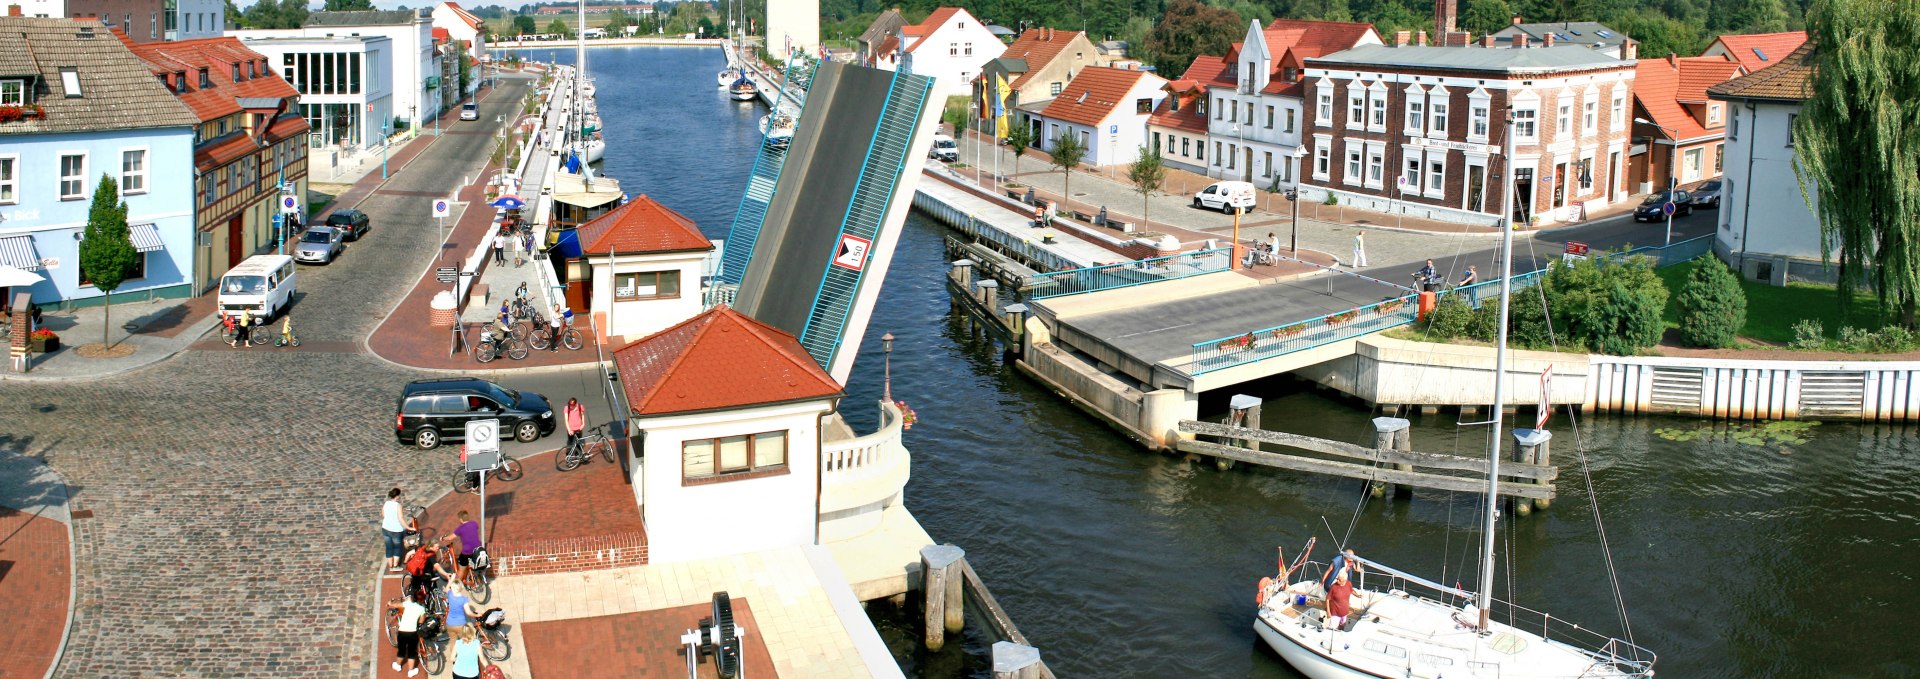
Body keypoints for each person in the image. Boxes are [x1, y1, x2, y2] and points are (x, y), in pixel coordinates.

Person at [391, 592, 428, 677]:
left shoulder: (408, 603)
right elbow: (421, 621)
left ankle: (397, 665)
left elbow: (397, 605)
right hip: (412, 633)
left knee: (402, 650)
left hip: (402, 631)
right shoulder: (422, 609)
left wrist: (390, 603)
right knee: (411, 652)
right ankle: (411, 670)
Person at [381, 488, 411, 571]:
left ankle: (390, 565)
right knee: (397, 547)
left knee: (389, 547)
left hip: (385, 528)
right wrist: (408, 527)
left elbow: (383, 514)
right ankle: (395, 566)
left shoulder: (386, 503)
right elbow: (401, 518)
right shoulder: (398, 506)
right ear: (397, 496)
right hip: (396, 530)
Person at [452, 510, 482, 585]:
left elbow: (451, 537)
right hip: (477, 550)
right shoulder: (474, 523)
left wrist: (443, 538)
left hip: (467, 552)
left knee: (461, 569)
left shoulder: (460, 528)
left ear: (461, 519)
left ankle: (456, 585)